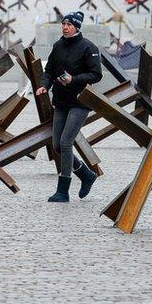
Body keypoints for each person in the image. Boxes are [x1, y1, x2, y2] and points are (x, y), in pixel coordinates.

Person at [35, 11, 103, 202]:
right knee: (57, 145)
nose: (65, 27)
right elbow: (49, 71)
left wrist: (73, 79)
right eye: (63, 24)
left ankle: (63, 191)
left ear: (77, 27)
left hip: (80, 102)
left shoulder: (88, 47)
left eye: (69, 24)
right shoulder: (58, 46)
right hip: (61, 101)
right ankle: (87, 175)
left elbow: (96, 74)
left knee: (66, 142)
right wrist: (43, 85)